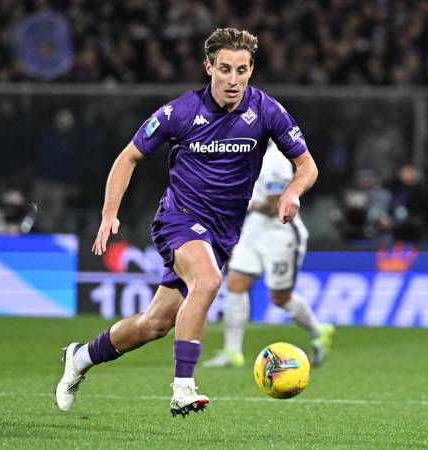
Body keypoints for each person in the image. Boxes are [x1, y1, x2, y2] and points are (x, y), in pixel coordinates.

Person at [55, 28, 319, 417]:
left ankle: (80, 357)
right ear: (208, 66)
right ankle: (183, 389)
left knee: (154, 324)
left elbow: (307, 165)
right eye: (225, 69)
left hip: (223, 232)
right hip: (178, 219)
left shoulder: (266, 110)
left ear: (251, 70)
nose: (233, 79)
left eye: (242, 70)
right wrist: (110, 212)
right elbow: (128, 157)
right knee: (208, 281)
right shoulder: (180, 112)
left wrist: (293, 192)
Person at [204, 141, 334, 369]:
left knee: (279, 298)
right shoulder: (245, 153)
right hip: (255, 229)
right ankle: (232, 352)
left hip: (280, 233)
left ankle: (318, 331)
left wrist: (240, 200)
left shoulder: (276, 160)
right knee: (235, 284)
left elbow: (275, 206)